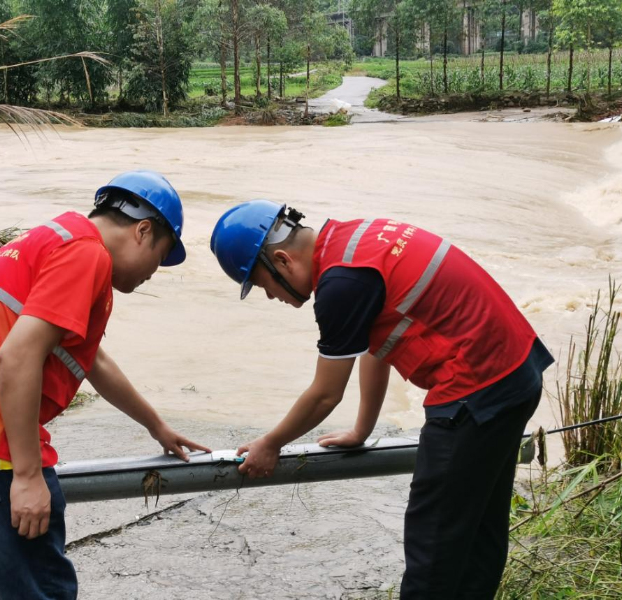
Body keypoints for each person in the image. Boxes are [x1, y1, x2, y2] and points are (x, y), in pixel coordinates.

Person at [209, 200, 553, 600]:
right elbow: (378, 343)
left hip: (476, 390)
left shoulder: (341, 285)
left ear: (282, 260)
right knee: (478, 528)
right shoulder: (354, 240)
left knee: (434, 541)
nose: (271, 297)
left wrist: (270, 444)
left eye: (262, 284)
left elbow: (324, 394)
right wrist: (362, 430)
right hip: (517, 371)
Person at [0, 170, 210, 600]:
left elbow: (90, 359)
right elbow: (18, 355)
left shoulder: (53, 237)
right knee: (44, 592)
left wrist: (155, 424)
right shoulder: (88, 256)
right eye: (161, 257)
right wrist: (27, 476)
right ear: (143, 231)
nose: (154, 273)